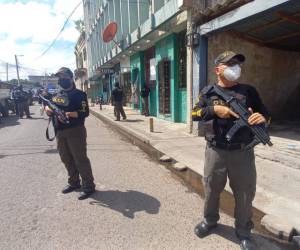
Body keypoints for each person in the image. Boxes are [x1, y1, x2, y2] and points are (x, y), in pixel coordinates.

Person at [192, 51, 270, 250]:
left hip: (242, 152)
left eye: (237, 63)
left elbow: (266, 114)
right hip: (215, 151)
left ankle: (243, 231)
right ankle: (210, 221)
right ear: (218, 69)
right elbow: (194, 113)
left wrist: (262, 119)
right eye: (230, 64)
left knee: (245, 193)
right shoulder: (208, 92)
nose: (235, 67)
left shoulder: (249, 91)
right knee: (211, 188)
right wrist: (214, 110)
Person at [45, 67, 96, 200]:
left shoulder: (80, 94)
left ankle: (89, 186)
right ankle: (74, 182)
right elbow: (49, 106)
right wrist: (47, 110)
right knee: (66, 158)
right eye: (60, 78)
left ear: (70, 78)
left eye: (64, 78)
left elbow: (85, 112)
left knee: (80, 159)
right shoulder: (56, 95)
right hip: (59, 132)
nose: (62, 80)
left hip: (75, 131)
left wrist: (70, 114)